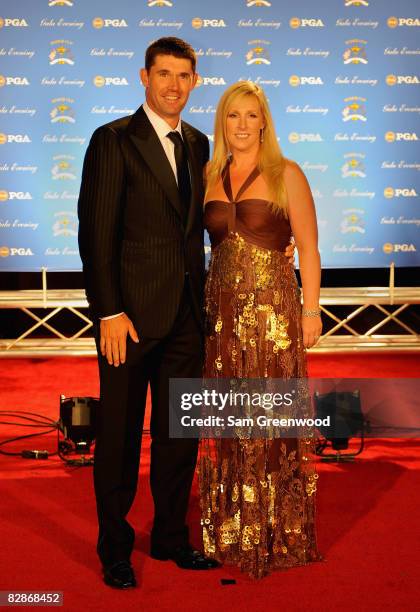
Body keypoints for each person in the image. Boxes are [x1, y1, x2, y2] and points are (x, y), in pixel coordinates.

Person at [77, 37, 220, 589]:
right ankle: (115, 549)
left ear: (194, 81)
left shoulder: (199, 143)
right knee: (117, 439)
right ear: (144, 77)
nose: (173, 86)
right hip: (129, 321)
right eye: (163, 74)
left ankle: (168, 539)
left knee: (178, 437)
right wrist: (108, 312)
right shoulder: (113, 140)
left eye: (184, 76)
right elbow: (97, 233)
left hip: (187, 317)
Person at [198, 81, 322, 578]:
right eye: (233, 116)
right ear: (222, 123)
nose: (242, 125)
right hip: (223, 319)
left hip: (273, 319)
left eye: (251, 115)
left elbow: (309, 248)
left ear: (264, 121)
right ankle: (232, 528)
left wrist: (311, 311)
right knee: (231, 425)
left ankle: (277, 530)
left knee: (272, 426)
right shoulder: (209, 174)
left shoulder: (286, 172)